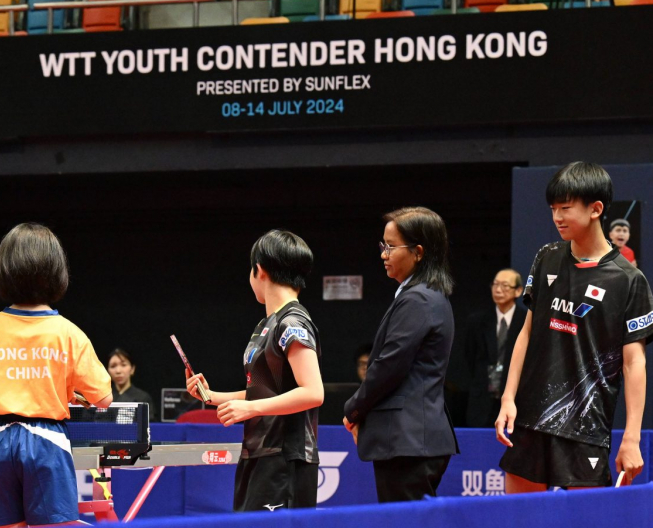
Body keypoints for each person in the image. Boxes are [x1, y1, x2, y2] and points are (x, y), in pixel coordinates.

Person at [497, 162, 653, 491]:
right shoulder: (547, 257)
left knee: (586, 521)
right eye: (553, 209)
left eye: (565, 208)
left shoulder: (628, 279)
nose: (557, 217)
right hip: (531, 417)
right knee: (519, 517)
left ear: (595, 209)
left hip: (586, 426)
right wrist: (508, 398)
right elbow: (526, 333)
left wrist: (631, 437)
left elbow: (634, 363)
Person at [0, 223, 113, 528]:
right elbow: (103, 399)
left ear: (3, 271)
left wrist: (0, 399)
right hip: (47, 442)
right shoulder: (69, 333)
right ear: (57, 273)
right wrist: (63, 394)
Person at [185, 230, 324, 512]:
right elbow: (265, 390)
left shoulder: (292, 323)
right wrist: (212, 397)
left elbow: (313, 392)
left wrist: (251, 409)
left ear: (259, 270)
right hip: (259, 453)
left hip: (285, 459)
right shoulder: (266, 325)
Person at [344, 207, 460, 503]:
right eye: (383, 245)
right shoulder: (425, 296)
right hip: (412, 440)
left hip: (408, 441)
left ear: (418, 252)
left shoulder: (418, 299)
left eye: (391, 246)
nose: (384, 254)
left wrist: (353, 409)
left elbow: (389, 366)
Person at [462, 269, 528, 428]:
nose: (498, 290)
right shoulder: (477, 321)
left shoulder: (526, 321)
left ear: (518, 291)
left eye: (505, 286)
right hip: (482, 399)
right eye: (495, 285)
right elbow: (470, 356)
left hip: (515, 400)